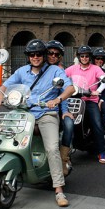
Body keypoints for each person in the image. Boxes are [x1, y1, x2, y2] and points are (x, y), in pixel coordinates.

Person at [0, 39, 75, 207]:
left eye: (39, 54)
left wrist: (57, 99)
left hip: (46, 114)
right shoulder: (22, 71)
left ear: (44, 56)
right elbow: (7, 84)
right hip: (24, 112)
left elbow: (70, 88)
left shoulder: (54, 71)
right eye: (32, 54)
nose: (35, 57)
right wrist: (1, 96)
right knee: (5, 138)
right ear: (28, 57)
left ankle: (59, 189)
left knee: (52, 148)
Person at [65, 45, 105, 163]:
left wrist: (98, 91)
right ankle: (64, 153)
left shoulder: (95, 68)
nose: (84, 58)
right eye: (82, 56)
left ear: (89, 57)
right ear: (79, 57)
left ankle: (101, 152)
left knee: (97, 124)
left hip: (90, 101)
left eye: (86, 56)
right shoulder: (72, 68)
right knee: (65, 123)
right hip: (73, 100)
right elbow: (62, 77)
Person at [46, 39, 72, 176]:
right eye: (50, 53)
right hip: (37, 106)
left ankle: (63, 159)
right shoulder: (39, 67)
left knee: (68, 124)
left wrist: (65, 110)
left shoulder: (60, 71)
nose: (53, 56)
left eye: (56, 54)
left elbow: (65, 91)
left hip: (57, 105)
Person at [92, 48, 105, 130]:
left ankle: (101, 130)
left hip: (101, 98)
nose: (99, 61)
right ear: (93, 59)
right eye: (97, 58)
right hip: (88, 97)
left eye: (102, 59)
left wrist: (101, 100)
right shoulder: (89, 70)